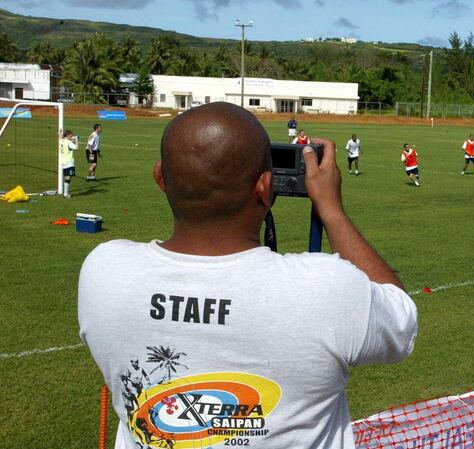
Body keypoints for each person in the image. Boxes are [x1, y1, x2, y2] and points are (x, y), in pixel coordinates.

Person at [77, 103, 418, 449]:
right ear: (265, 187)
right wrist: (331, 210)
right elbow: (401, 323)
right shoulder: (325, 287)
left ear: (161, 178)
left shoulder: (103, 271)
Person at [59, 130, 78, 198]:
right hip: (69, 162)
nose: (72, 136)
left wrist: (60, 134)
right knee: (68, 178)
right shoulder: (68, 142)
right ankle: (65, 194)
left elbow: (61, 138)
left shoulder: (61, 141)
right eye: (71, 135)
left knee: (67, 177)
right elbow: (77, 148)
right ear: (68, 135)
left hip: (63, 162)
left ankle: (66, 193)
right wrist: (76, 140)